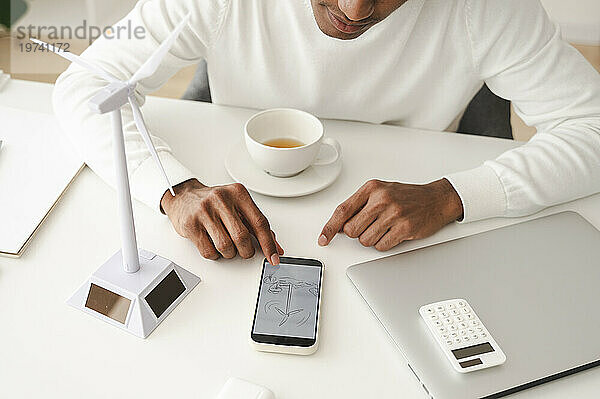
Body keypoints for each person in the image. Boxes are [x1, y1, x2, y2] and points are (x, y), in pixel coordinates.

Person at [53, 0, 600, 265]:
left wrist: (453, 195)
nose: (353, 11)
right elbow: (84, 84)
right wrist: (173, 188)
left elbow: (592, 127)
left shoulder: (490, 10)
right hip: (241, 203)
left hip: (407, 231)